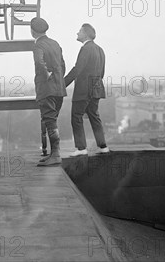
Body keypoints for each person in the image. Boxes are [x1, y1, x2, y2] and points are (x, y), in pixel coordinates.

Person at [64, 23, 110, 157]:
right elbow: (101, 73)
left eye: (79, 31)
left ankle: (81, 148)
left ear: (85, 34)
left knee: (76, 117)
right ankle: (103, 146)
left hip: (84, 90)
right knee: (95, 117)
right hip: (96, 89)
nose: (77, 33)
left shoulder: (85, 49)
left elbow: (77, 69)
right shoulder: (100, 49)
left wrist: (61, 84)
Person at [30, 17, 67, 166]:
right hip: (59, 89)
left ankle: (56, 155)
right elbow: (63, 65)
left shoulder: (38, 45)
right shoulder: (55, 43)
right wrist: (57, 80)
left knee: (50, 121)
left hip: (46, 90)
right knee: (53, 121)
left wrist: (46, 75)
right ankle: (54, 153)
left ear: (32, 31)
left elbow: (39, 62)